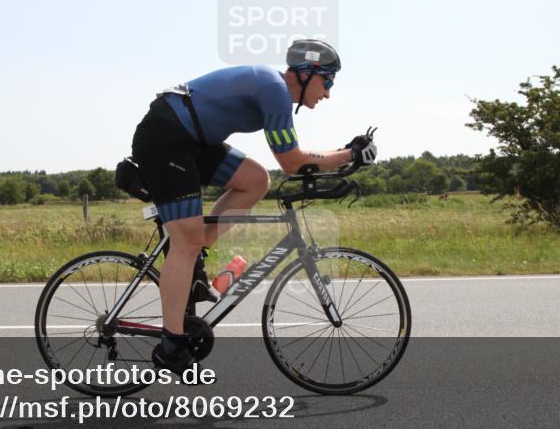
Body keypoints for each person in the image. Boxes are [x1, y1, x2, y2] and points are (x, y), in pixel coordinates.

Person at [129, 39, 377, 371]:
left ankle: (197, 258)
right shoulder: (274, 90)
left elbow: (292, 164)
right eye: (328, 81)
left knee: (256, 181)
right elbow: (292, 162)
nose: (328, 92)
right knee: (184, 242)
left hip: (194, 141)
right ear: (307, 74)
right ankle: (171, 344)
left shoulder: (275, 92)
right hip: (167, 138)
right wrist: (348, 154)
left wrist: (342, 159)